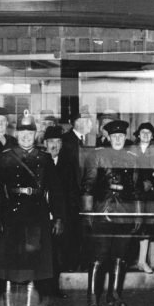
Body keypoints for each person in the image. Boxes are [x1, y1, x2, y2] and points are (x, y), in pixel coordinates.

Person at [0, 110, 64, 306]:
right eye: (21, 133)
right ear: (17, 134)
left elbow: (56, 191)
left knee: (33, 267)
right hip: (11, 215)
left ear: (35, 135)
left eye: (29, 133)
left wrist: (58, 217)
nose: (25, 137)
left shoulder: (44, 159)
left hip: (37, 215)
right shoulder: (5, 158)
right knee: (9, 267)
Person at [82, 119, 140, 306]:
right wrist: (88, 213)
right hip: (102, 213)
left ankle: (114, 295)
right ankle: (92, 297)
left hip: (124, 214)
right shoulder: (96, 156)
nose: (117, 139)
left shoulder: (132, 158)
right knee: (98, 256)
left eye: (121, 136)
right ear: (108, 137)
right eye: (114, 136)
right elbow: (87, 187)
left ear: (125, 137)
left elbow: (135, 190)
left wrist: (137, 214)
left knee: (120, 256)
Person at [60, 110, 93, 272]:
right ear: (78, 122)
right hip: (70, 198)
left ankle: (80, 263)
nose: (91, 124)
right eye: (88, 121)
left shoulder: (85, 141)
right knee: (71, 234)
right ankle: (70, 265)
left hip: (83, 198)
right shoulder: (66, 141)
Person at [41, 124, 71, 298]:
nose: (55, 145)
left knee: (57, 253)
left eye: (58, 141)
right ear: (45, 143)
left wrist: (62, 217)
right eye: (51, 141)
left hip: (59, 215)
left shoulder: (67, 163)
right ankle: (41, 288)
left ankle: (54, 287)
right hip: (41, 214)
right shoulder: (39, 160)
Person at [131, 122, 154, 273]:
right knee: (131, 227)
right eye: (142, 132)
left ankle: (142, 261)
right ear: (138, 134)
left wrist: (151, 183)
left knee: (145, 230)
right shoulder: (130, 150)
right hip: (131, 195)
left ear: (152, 136)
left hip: (148, 195)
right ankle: (128, 260)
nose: (145, 135)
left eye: (148, 133)